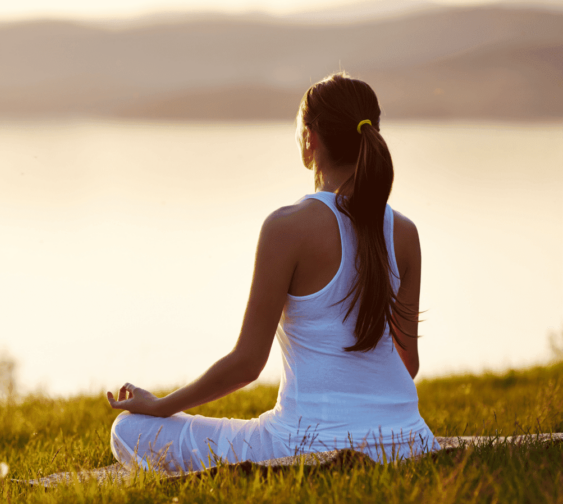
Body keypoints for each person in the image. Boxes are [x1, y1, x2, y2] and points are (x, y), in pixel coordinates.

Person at [107, 72, 440, 472]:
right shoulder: (404, 232)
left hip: (304, 443)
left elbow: (248, 364)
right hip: (411, 439)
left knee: (128, 430)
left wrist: (161, 405)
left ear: (310, 139)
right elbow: (409, 365)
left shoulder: (287, 227)